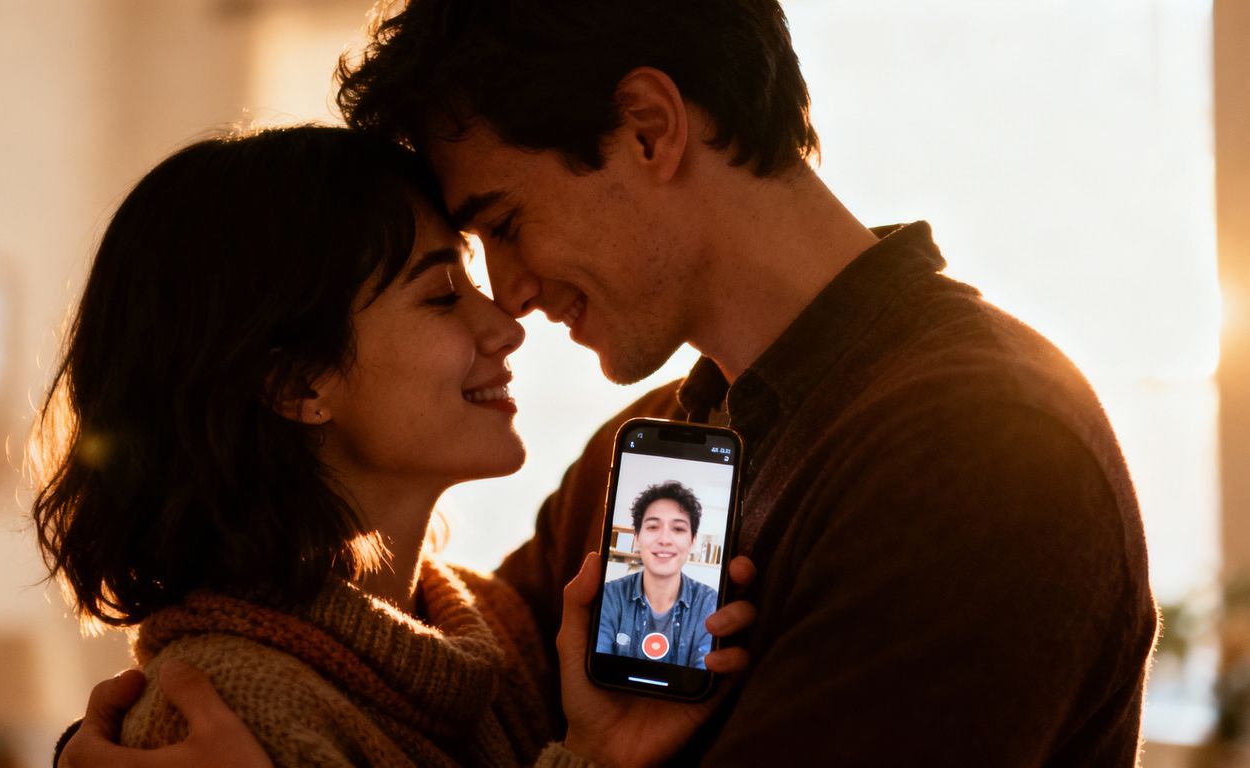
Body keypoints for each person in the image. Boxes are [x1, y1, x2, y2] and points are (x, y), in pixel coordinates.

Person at [64, 0, 1159, 764]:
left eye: (503, 219)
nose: (514, 294)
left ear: (648, 129)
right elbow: (427, 681)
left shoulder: (978, 450)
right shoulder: (653, 445)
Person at [31, 125, 757, 768]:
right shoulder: (215, 712)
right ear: (295, 386)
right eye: (443, 295)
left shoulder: (496, 633)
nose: (508, 326)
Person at [597, 482, 718, 670]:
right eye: (653, 527)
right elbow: (601, 666)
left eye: (678, 529)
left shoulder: (709, 602)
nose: (664, 540)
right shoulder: (609, 596)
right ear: (637, 537)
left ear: (692, 541)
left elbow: (704, 668)